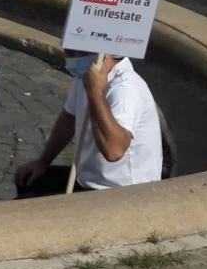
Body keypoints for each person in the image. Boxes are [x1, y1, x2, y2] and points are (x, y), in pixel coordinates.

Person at [14, 50, 162, 197]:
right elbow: (69, 118)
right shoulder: (85, 75)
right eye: (68, 53)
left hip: (120, 190)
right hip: (89, 179)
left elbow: (114, 151)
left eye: (78, 54)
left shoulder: (125, 89)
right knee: (28, 181)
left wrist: (95, 93)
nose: (72, 60)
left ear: (104, 56)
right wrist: (43, 162)